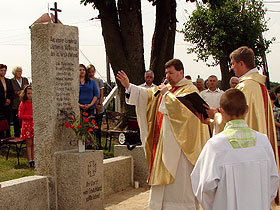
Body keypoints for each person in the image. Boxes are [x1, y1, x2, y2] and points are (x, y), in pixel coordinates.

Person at [117, 59, 210, 210]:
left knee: (179, 181)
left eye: (171, 73)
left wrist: (167, 95)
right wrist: (128, 86)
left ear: (181, 72)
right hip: (162, 143)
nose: (168, 76)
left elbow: (184, 113)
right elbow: (146, 95)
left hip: (180, 147)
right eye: (166, 73)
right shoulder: (165, 89)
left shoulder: (189, 90)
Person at [191, 89, 279, 210]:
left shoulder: (216, 144)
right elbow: (273, 179)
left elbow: (204, 187)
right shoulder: (263, 141)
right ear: (247, 109)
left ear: (221, 111)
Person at [87, 64, 104, 150]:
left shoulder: (98, 81)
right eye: (89, 72)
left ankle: (98, 144)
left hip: (98, 106)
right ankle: (90, 144)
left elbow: (101, 94)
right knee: (90, 127)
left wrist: (99, 104)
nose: (91, 73)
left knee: (98, 127)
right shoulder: (85, 81)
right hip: (89, 107)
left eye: (92, 72)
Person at [11, 66, 29, 137]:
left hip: (24, 102)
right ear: (14, 73)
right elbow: (12, 91)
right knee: (16, 119)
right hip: (15, 102)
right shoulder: (12, 81)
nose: (19, 73)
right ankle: (17, 134)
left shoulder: (25, 79)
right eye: (18, 71)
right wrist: (18, 92)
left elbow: (27, 88)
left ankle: (25, 134)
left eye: (20, 71)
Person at [18, 85, 34, 168]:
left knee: (34, 143)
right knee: (29, 143)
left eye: (31, 93)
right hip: (27, 124)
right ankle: (30, 160)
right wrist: (29, 117)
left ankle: (34, 159)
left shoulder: (34, 103)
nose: (30, 95)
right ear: (25, 94)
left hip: (33, 124)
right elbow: (20, 115)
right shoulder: (23, 103)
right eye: (28, 93)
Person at [0, 64, 14, 139]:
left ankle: (8, 137)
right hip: (1, 104)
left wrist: (9, 99)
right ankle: (2, 137)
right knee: (1, 122)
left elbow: (11, 91)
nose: (3, 72)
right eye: (1, 70)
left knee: (8, 120)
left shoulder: (8, 81)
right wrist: (4, 101)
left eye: (4, 70)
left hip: (8, 104)